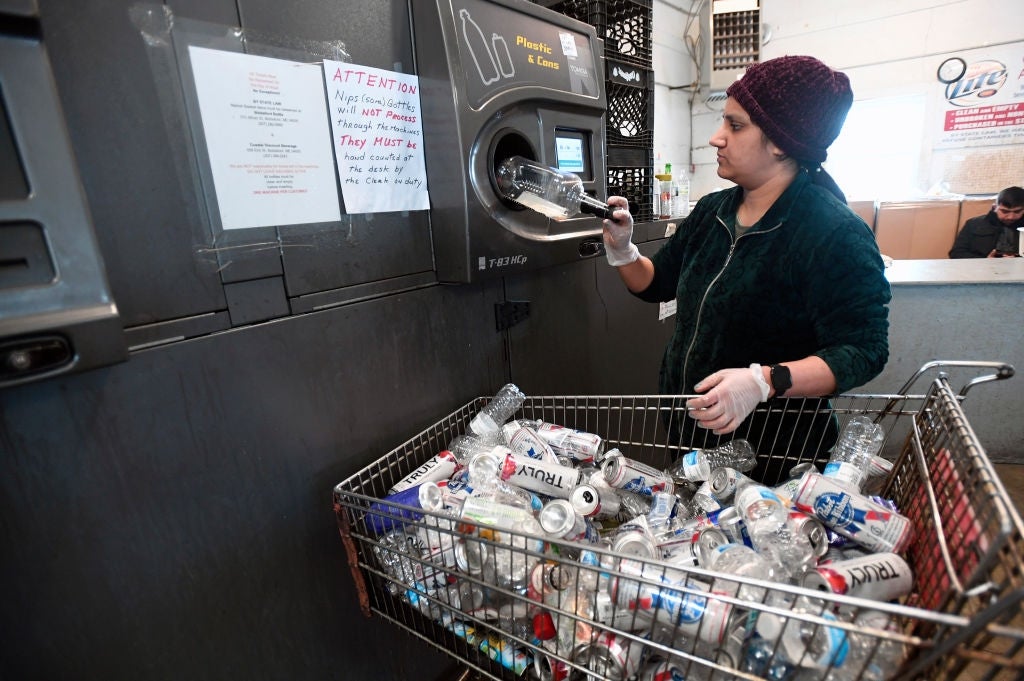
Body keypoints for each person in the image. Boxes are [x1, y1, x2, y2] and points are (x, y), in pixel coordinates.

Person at [601, 55, 891, 483]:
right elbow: (656, 283)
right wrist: (624, 252)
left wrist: (765, 382)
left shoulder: (832, 233)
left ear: (780, 142)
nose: (717, 138)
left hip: (772, 457)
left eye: (735, 126)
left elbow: (864, 351)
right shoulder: (711, 211)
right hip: (692, 438)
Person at [949, 187, 1024, 258]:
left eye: (1017, 212)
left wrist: (1017, 260)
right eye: (1005, 211)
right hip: (980, 269)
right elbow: (956, 253)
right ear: (994, 208)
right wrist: (985, 261)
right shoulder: (973, 224)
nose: (1011, 217)